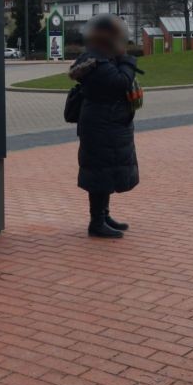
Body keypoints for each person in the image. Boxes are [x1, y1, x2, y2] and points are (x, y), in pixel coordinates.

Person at [68, 14, 140, 239]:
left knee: (106, 171)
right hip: (101, 125)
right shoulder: (96, 61)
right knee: (99, 172)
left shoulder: (104, 57)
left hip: (107, 123)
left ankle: (104, 215)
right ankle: (96, 222)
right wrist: (128, 61)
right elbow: (120, 83)